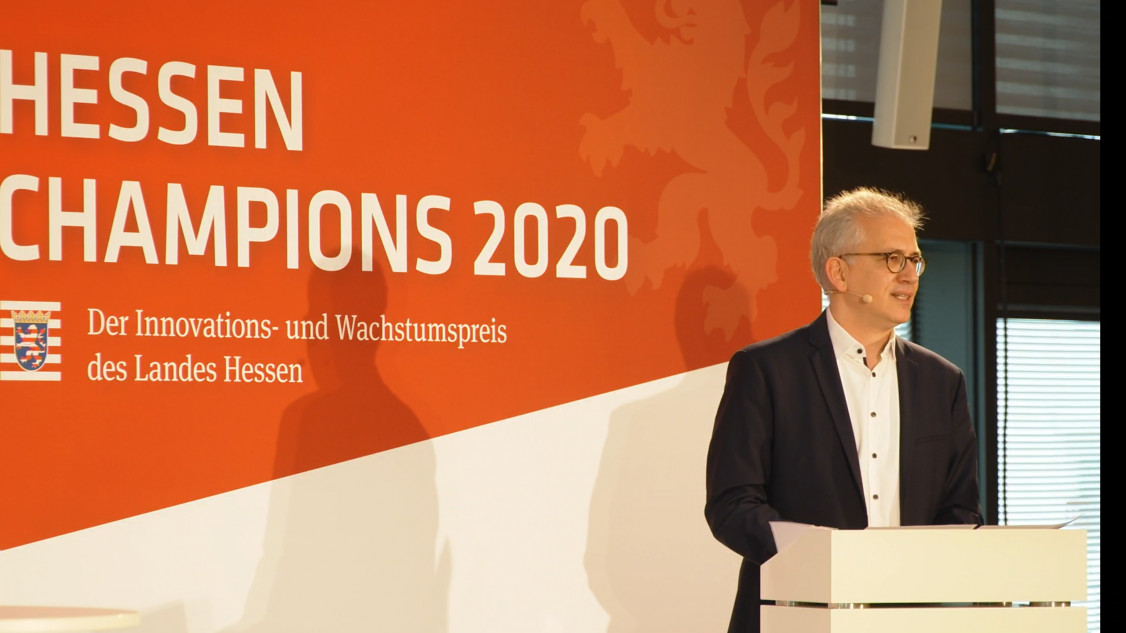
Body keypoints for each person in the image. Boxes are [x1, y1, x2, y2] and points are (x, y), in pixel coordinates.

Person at [704, 186, 982, 633]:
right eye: (892, 259)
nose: (909, 276)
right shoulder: (767, 370)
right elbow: (733, 505)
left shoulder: (942, 381)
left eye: (914, 260)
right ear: (839, 272)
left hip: (905, 619)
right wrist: (824, 561)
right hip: (792, 615)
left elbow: (962, 510)